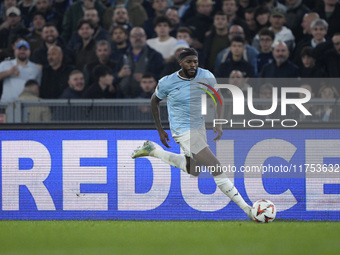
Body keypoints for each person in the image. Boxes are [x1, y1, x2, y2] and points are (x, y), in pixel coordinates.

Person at [131, 48, 253, 219]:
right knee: (215, 166)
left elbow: (218, 98)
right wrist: (160, 128)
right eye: (189, 62)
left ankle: (154, 151)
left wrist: (218, 122)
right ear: (180, 63)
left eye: (195, 61)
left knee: (194, 169)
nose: (193, 65)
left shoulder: (206, 76)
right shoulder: (168, 82)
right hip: (182, 131)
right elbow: (154, 101)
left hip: (198, 128)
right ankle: (248, 209)